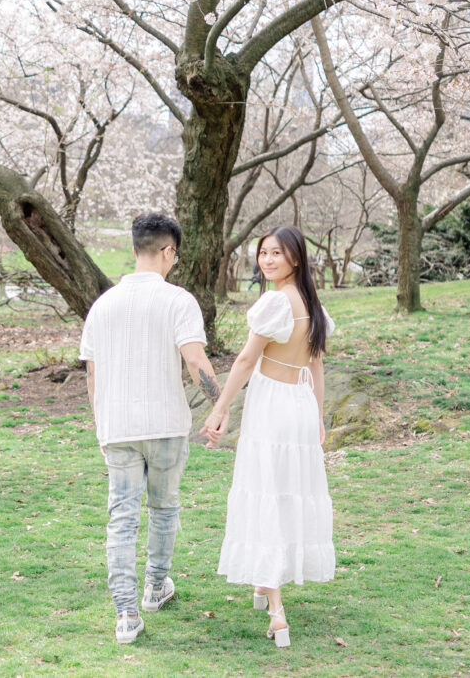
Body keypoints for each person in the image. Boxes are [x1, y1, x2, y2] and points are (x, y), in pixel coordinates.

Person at [79, 212, 226, 644]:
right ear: (168, 252)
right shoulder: (178, 300)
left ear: (133, 249)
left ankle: (125, 614)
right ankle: (155, 587)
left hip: (118, 426)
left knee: (120, 520)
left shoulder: (102, 305)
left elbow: (93, 376)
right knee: (163, 509)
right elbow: (196, 361)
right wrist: (221, 406)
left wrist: (101, 425)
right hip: (164, 424)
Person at [201, 225, 335, 649]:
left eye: (276, 253)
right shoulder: (312, 305)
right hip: (298, 405)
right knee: (286, 491)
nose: (267, 260)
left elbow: (245, 359)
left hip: (274, 406)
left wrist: (220, 407)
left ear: (295, 258)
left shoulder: (276, 302)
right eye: (262, 253)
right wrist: (318, 413)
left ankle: (277, 612)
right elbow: (315, 366)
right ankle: (262, 585)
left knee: (266, 494)